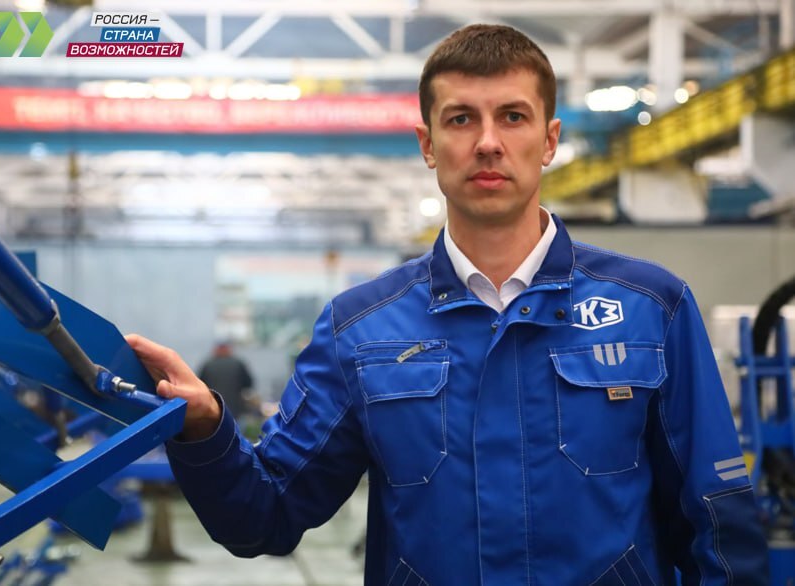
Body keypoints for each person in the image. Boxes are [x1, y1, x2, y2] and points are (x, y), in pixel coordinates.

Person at [126, 24, 768, 585]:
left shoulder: (652, 308)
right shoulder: (361, 329)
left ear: (549, 141)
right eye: (461, 119)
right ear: (428, 143)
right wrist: (205, 428)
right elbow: (264, 516)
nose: (487, 142)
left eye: (512, 117)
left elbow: (717, 518)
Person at [195, 341, 254, 420]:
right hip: (235, 406)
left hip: (214, 407)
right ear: (229, 349)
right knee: (236, 426)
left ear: (216, 350)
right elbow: (249, 384)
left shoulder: (208, 364)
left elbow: (199, 385)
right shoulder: (238, 363)